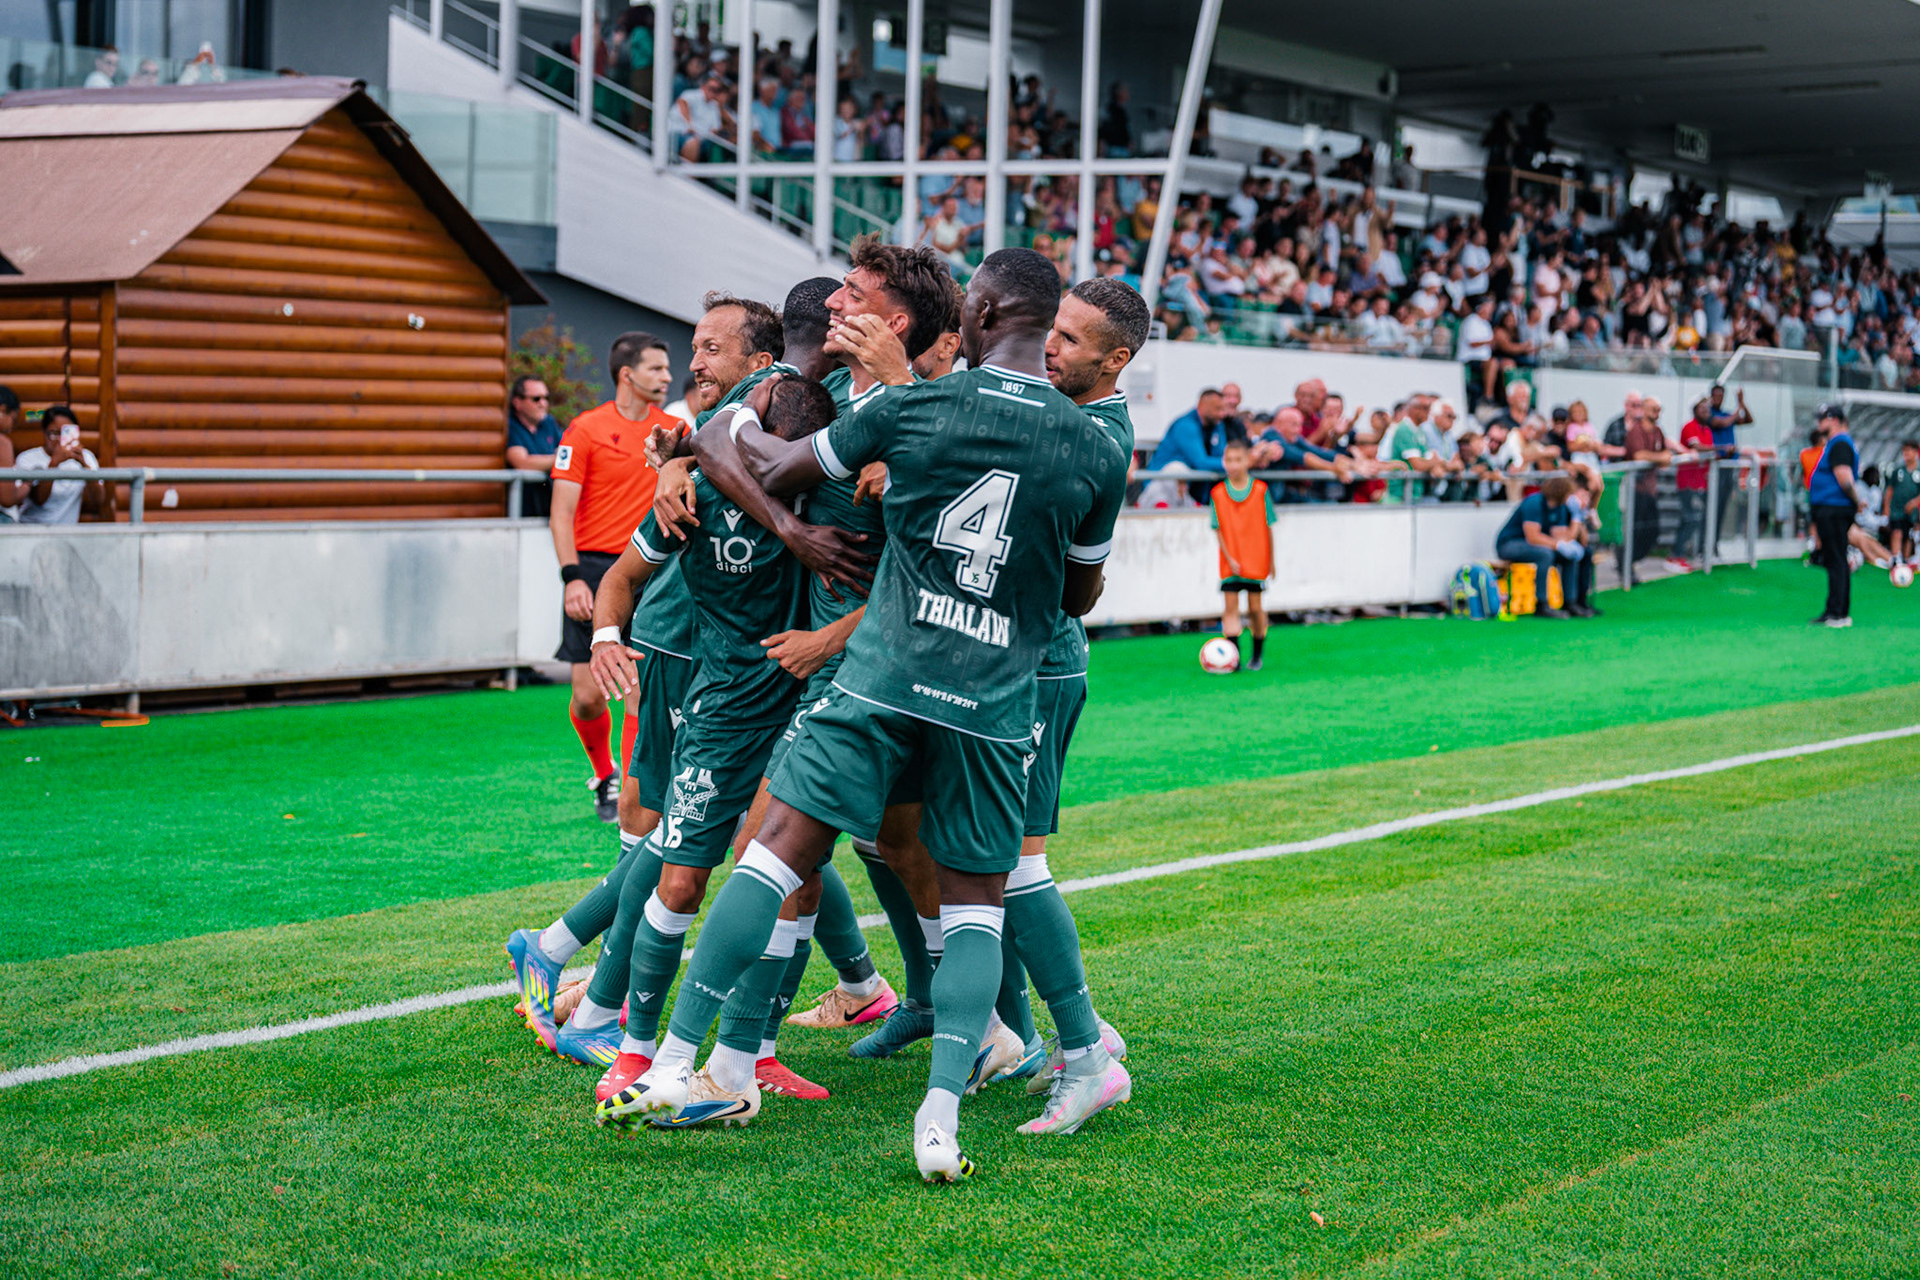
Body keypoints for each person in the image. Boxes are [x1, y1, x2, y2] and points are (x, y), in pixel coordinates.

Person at [609, 249, 1132, 1180]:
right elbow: (1082, 587)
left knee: (905, 861)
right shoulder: (1089, 438)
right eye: (1052, 336)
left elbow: (764, 457)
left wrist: (711, 442)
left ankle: (1068, 1045)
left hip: (901, 669)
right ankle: (926, 1085)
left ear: (970, 312)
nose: (1055, 354)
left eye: (1074, 342)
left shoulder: (915, 406)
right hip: (990, 684)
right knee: (913, 859)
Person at [549, 333, 678, 821]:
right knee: (586, 698)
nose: (667, 378)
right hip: (595, 571)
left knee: (638, 696)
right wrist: (571, 578)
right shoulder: (584, 430)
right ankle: (603, 773)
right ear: (627, 374)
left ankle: (631, 800)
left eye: (667, 370)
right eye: (656, 369)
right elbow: (561, 513)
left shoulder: (674, 430)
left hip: (652, 571)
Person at [1210, 440, 1275, 669]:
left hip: (1256, 560)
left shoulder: (1260, 490)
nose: (1233, 465)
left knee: (1255, 608)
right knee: (1230, 607)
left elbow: (1268, 527)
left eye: (1238, 459)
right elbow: (1217, 529)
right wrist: (1229, 559)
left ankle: (1257, 653)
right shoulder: (1217, 493)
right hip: (1231, 564)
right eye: (1228, 460)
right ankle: (1233, 656)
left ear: (1248, 460)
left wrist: (1271, 563)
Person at [1494, 475, 1594, 618]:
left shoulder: (1560, 507)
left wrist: (1576, 517)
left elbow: (1564, 536)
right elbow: (1533, 537)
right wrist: (1558, 544)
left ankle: (1570, 602)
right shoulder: (1534, 503)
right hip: (1510, 544)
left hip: (1537, 544)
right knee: (1545, 554)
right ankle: (1541, 603)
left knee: (1568, 555)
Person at [1807, 403, 1863, 627]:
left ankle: (1837, 613)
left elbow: (1845, 479)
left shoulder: (1840, 443)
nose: (1819, 423)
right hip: (1832, 509)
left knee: (1836, 560)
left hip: (1834, 509)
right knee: (1836, 559)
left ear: (1836, 420)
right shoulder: (1836, 444)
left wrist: (1857, 502)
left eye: (1823, 418)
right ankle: (1836, 610)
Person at [15, 405, 103, 525]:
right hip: (31, 530)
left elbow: (99, 500)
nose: (60, 439)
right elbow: (40, 500)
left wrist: (84, 465)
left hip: (66, 533)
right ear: (44, 433)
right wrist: (54, 463)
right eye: (54, 433)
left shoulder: (86, 457)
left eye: (66, 433)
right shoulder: (28, 458)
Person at [1148, 388, 1234, 504]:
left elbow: (1221, 456)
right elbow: (1201, 462)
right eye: (1217, 409)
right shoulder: (1185, 425)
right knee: (1176, 468)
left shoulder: (1217, 425)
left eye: (1223, 409)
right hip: (1158, 492)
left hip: (1187, 493)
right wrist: (1237, 463)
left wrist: (1234, 461)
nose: (1222, 414)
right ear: (1202, 405)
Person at [1624, 395, 1677, 578]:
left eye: (1659, 409)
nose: (1657, 413)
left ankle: (1631, 560)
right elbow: (1639, 455)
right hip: (1635, 489)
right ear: (1645, 409)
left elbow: (1664, 454)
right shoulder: (1636, 431)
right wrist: (1660, 457)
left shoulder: (1658, 431)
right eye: (1653, 409)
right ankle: (1626, 563)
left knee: (1653, 531)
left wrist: (1661, 457)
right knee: (1635, 529)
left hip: (1650, 489)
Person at [505, 376, 564, 518]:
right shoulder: (510, 426)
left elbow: (567, 450)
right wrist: (558, 461)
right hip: (519, 515)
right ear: (517, 403)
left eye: (546, 398)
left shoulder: (549, 422)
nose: (543, 404)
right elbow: (521, 462)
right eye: (536, 399)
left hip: (548, 513)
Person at [1671, 398, 1716, 571]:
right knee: (1689, 518)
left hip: (1701, 483)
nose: (1706, 412)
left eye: (1707, 409)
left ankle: (1682, 554)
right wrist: (1719, 448)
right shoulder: (1689, 426)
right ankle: (1675, 555)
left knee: (1694, 519)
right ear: (1695, 410)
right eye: (1702, 409)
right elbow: (1697, 447)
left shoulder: (1707, 430)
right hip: (1687, 483)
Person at [1883, 439, 1920, 564]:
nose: (1906, 454)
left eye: (1909, 451)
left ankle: (1906, 560)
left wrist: (1914, 503)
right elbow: (1890, 489)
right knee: (1896, 532)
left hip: (1912, 511)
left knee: (1908, 535)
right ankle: (1895, 559)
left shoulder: (1918, 472)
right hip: (1896, 508)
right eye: (1904, 451)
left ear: (1916, 452)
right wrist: (1886, 506)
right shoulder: (1898, 470)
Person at [0, 386, 28, 522]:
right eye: (13, 419)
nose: (12, 427)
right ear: (2, 410)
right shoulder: (2, 443)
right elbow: (7, 498)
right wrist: (27, 484)